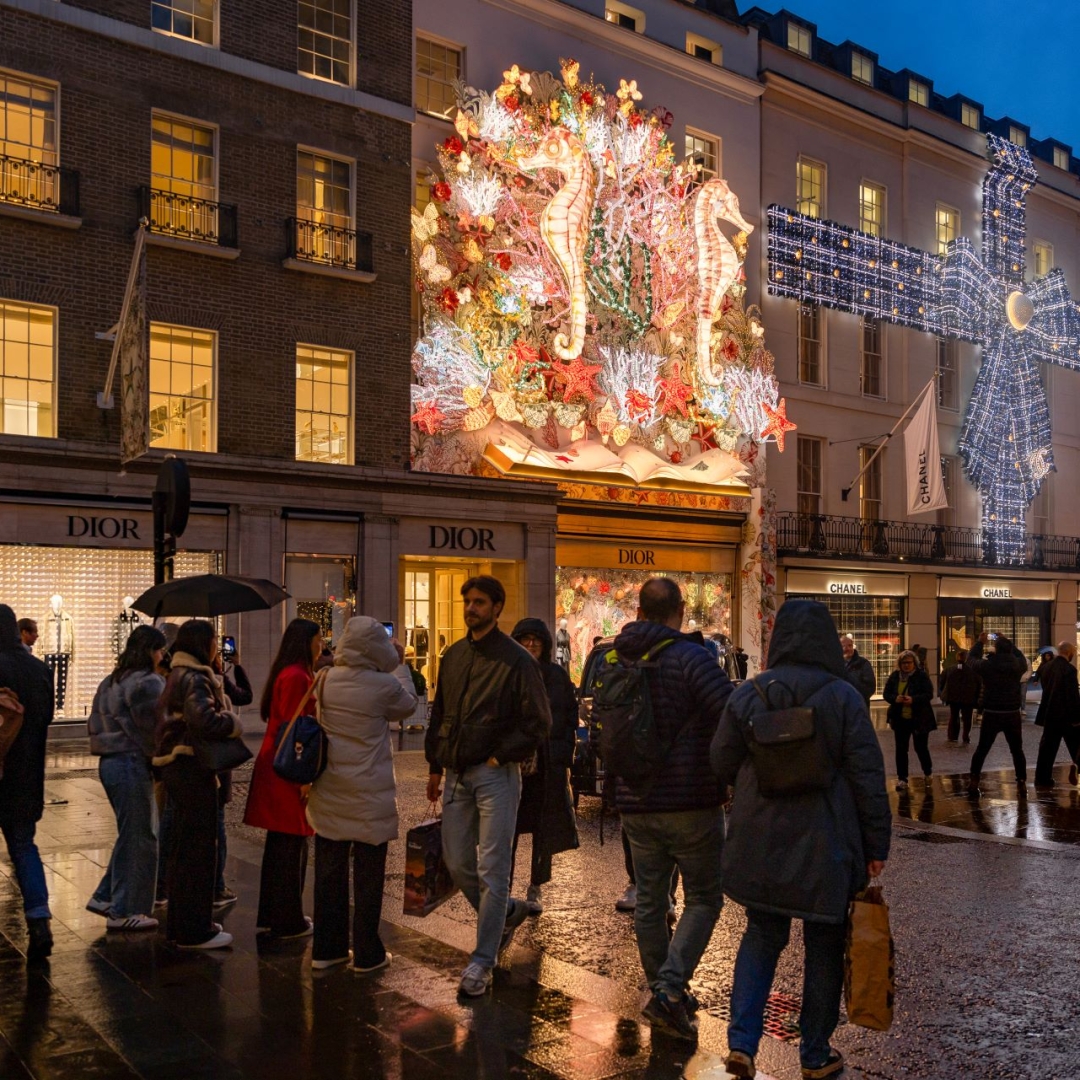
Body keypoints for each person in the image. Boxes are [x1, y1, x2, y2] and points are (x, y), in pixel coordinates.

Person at [711, 599, 891, 1080]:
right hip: (826, 842)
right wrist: (876, 847)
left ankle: (743, 1043)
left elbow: (720, 761)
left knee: (762, 934)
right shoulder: (843, 696)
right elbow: (868, 777)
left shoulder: (748, 695)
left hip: (759, 840)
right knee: (825, 943)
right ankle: (814, 1052)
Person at [612, 577, 733, 1042]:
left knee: (650, 899)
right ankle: (668, 991)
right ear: (679, 610)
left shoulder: (613, 656)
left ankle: (668, 986)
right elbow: (729, 711)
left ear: (640, 610)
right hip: (690, 799)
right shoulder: (691, 658)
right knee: (705, 897)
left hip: (634, 800)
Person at [425, 575, 551, 997]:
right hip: (457, 772)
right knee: (458, 860)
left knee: (492, 869)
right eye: (468, 601)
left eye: (479, 602)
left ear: (497, 608)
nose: (471, 608)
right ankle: (507, 913)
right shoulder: (455, 655)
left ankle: (482, 960)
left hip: (496, 774)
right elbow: (440, 711)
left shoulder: (517, 660)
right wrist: (434, 764)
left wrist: (502, 755)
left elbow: (539, 722)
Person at [306, 617, 417, 972]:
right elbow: (409, 705)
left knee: (329, 875)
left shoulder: (325, 679)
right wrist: (398, 666)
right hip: (369, 793)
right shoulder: (384, 685)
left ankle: (327, 949)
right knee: (369, 878)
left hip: (331, 789)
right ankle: (367, 953)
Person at [153, 619, 243, 949]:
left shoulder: (177, 674)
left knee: (183, 848)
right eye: (214, 639)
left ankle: (183, 923)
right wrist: (231, 721)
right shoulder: (194, 677)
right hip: (193, 768)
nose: (217, 645)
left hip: (179, 767)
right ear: (202, 643)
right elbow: (203, 719)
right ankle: (196, 929)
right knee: (198, 850)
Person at [244, 618, 322, 939]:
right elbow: (296, 730)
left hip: (277, 763)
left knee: (281, 844)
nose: (321, 646)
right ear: (307, 642)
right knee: (291, 845)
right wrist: (305, 777)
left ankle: (274, 914)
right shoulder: (298, 676)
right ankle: (287, 919)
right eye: (318, 640)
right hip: (289, 768)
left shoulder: (289, 673)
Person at [86, 625, 167, 930]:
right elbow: (153, 731)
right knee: (141, 836)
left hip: (110, 763)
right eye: (160, 649)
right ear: (150, 650)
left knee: (131, 833)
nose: (163, 655)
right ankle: (126, 910)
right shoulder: (147, 683)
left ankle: (106, 895)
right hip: (131, 761)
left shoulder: (111, 680)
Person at [509, 618, 579, 915]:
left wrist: (562, 756)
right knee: (506, 830)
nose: (530, 645)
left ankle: (536, 885)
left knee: (543, 828)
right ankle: (504, 888)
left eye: (536, 640)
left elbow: (568, 718)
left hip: (546, 764)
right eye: (524, 640)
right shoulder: (508, 673)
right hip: (512, 764)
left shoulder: (556, 676)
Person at [0, 605, 55, 961]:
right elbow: (46, 718)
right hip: (25, 774)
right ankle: (39, 920)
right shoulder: (39, 670)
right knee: (24, 846)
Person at [212, 649, 253, 910]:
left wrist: (235, 668)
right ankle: (215, 886)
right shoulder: (210, 681)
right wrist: (232, 723)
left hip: (199, 767)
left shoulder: (213, 679)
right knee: (216, 827)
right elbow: (244, 696)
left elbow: (245, 696)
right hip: (212, 766)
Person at [967, 632, 1028, 794]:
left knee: (982, 748)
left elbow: (971, 660)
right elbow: (1021, 658)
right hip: (1012, 712)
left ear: (996, 649)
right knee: (1017, 750)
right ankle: (1021, 781)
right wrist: (1010, 644)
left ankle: (974, 780)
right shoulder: (1017, 666)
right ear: (1009, 649)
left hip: (992, 712)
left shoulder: (988, 665)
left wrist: (980, 642)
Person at [883, 651, 935, 791]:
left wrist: (914, 699)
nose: (906, 665)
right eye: (903, 663)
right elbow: (886, 693)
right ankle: (902, 779)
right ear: (899, 664)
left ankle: (927, 771)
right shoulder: (895, 676)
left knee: (921, 748)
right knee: (901, 749)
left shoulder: (921, 676)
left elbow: (929, 694)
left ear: (914, 663)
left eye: (909, 662)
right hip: (900, 719)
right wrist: (895, 698)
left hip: (919, 718)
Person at [1033, 641, 1080, 788]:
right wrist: (1076, 718)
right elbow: (1072, 695)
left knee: (1047, 748)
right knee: (1077, 745)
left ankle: (1042, 778)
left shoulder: (1046, 667)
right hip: (1066, 715)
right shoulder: (1069, 670)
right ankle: (1077, 766)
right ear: (1069, 653)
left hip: (1050, 713)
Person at [943, 650, 980, 744]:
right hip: (967, 699)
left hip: (953, 698)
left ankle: (952, 736)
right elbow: (978, 685)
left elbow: (943, 683)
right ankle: (965, 736)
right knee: (967, 718)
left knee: (954, 716)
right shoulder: (972, 672)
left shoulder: (950, 670)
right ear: (966, 658)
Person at [839, 633, 875, 706]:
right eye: (843, 646)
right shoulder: (834, 665)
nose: (847, 648)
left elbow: (869, 688)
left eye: (850, 645)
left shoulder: (863, 663)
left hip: (858, 707)